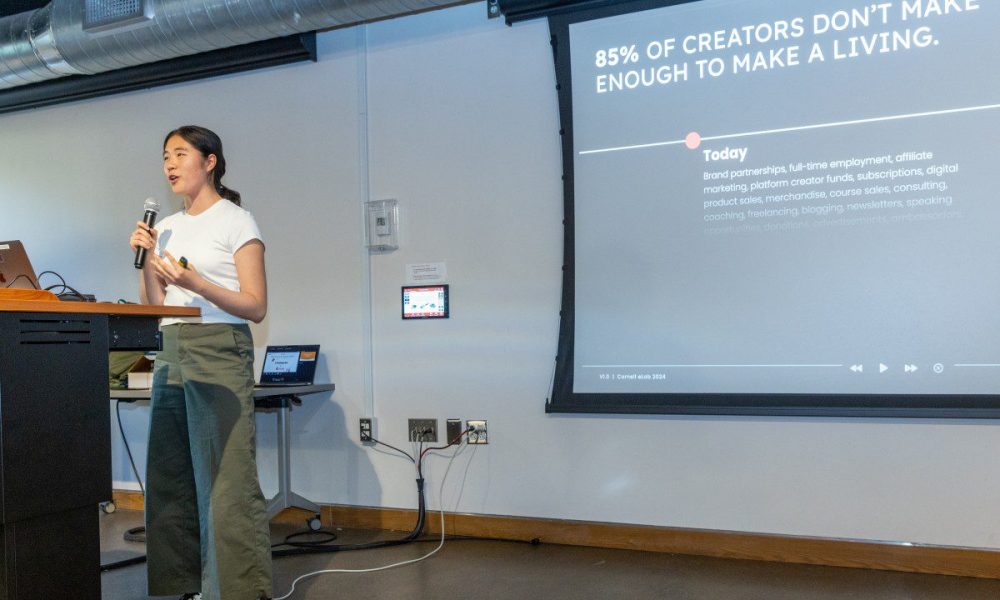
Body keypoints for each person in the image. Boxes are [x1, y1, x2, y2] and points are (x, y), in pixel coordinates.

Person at [129, 125, 272, 600]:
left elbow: (255, 305)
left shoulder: (237, 220)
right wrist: (149, 259)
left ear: (209, 162)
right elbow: (156, 306)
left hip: (217, 347)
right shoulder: (167, 226)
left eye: (180, 154)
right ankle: (187, 585)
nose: (169, 164)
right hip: (171, 350)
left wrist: (197, 283)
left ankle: (237, 591)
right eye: (165, 155)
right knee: (169, 475)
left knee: (225, 480)